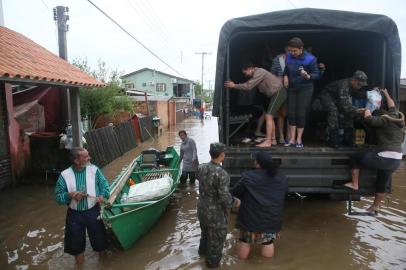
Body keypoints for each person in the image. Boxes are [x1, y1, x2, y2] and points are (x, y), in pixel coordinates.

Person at [344, 89, 405, 214]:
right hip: (396, 160)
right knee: (382, 181)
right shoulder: (396, 116)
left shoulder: (383, 119)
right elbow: (392, 104)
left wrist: (367, 111)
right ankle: (375, 206)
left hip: (385, 157)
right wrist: (386, 93)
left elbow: (369, 120)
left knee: (355, 157)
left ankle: (355, 184)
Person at [54, 147, 110, 266]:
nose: (89, 158)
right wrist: (70, 195)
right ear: (77, 161)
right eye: (86, 157)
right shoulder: (65, 175)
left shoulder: (94, 170)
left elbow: (105, 186)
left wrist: (102, 195)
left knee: (100, 243)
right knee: (77, 247)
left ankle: (104, 265)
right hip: (74, 215)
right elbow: (58, 197)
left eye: (88, 155)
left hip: (93, 211)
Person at [231, 152, 288, 259]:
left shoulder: (248, 177)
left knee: (245, 242)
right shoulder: (282, 177)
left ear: (257, 163)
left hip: (250, 220)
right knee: (267, 243)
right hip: (271, 219)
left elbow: (235, 192)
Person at [197, 142, 241, 268]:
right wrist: (236, 202)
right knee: (216, 243)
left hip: (201, 209)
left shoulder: (201, 167)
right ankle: (211, 265)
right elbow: (225, 198)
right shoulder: (222, 174)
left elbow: (200, 181)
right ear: (222, 155)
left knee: (205, 235)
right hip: (216, 215)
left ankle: (201, 257)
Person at [224, 61, 287, 147]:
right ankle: (273, 140)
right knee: (270, 116)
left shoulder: (259, 72)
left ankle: (268, 141)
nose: (245, 74)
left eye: (245, 72)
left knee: (268, 116)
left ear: (250, 68)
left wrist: (234, 85)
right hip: (273, 94)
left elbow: (248, 86)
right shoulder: (255, 74)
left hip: (278, 92)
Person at [283, 37, 321, 148]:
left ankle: (299, 139)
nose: (292, 53)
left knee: (300, 113)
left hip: (305, 88)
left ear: (301, 49)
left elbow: (316, 74)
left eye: (294, 51)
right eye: (290, 50)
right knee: (291, 113)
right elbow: (286, 68)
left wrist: (308, 76)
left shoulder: (311, 59)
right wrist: (285, 76)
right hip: (292, 88)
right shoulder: (289, 56)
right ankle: (292, 139)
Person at [319, 70, 368, 147]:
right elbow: (346, 106)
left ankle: (348, 139)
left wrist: (370, 93)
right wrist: (357, 110)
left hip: (337, 98)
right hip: (327, 96)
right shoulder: (344, 85)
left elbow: (358, 95)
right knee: (333, 111)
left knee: (349, 114)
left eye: (361, 85)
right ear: (354, 80)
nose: (360, 87)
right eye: (359, 84)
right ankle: (333, 140)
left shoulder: (353, 86)